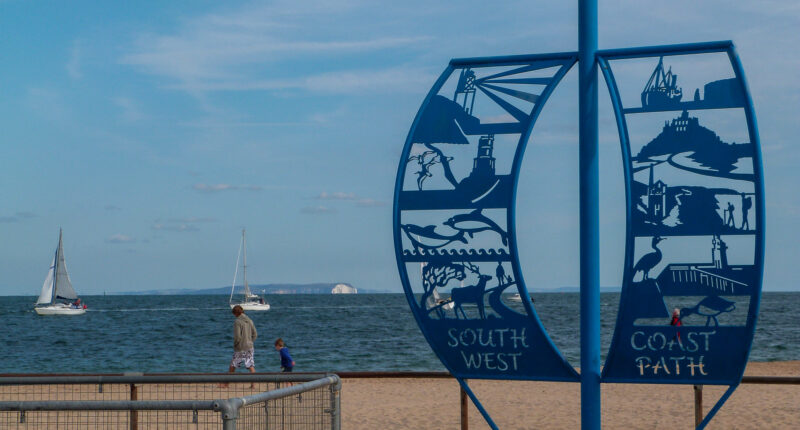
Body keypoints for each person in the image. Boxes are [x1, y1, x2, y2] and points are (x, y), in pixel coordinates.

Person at [226, 305, 258, 388]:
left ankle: (227, 383)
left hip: (241, 347)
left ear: (236, 313)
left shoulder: (237, 322)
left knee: (233, 365)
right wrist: (250, 341)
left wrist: (236, 344)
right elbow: (255, 334)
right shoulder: (250, 320)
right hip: (250, 346)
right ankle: (253, 384)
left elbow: (237, 336)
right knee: (250, 365)